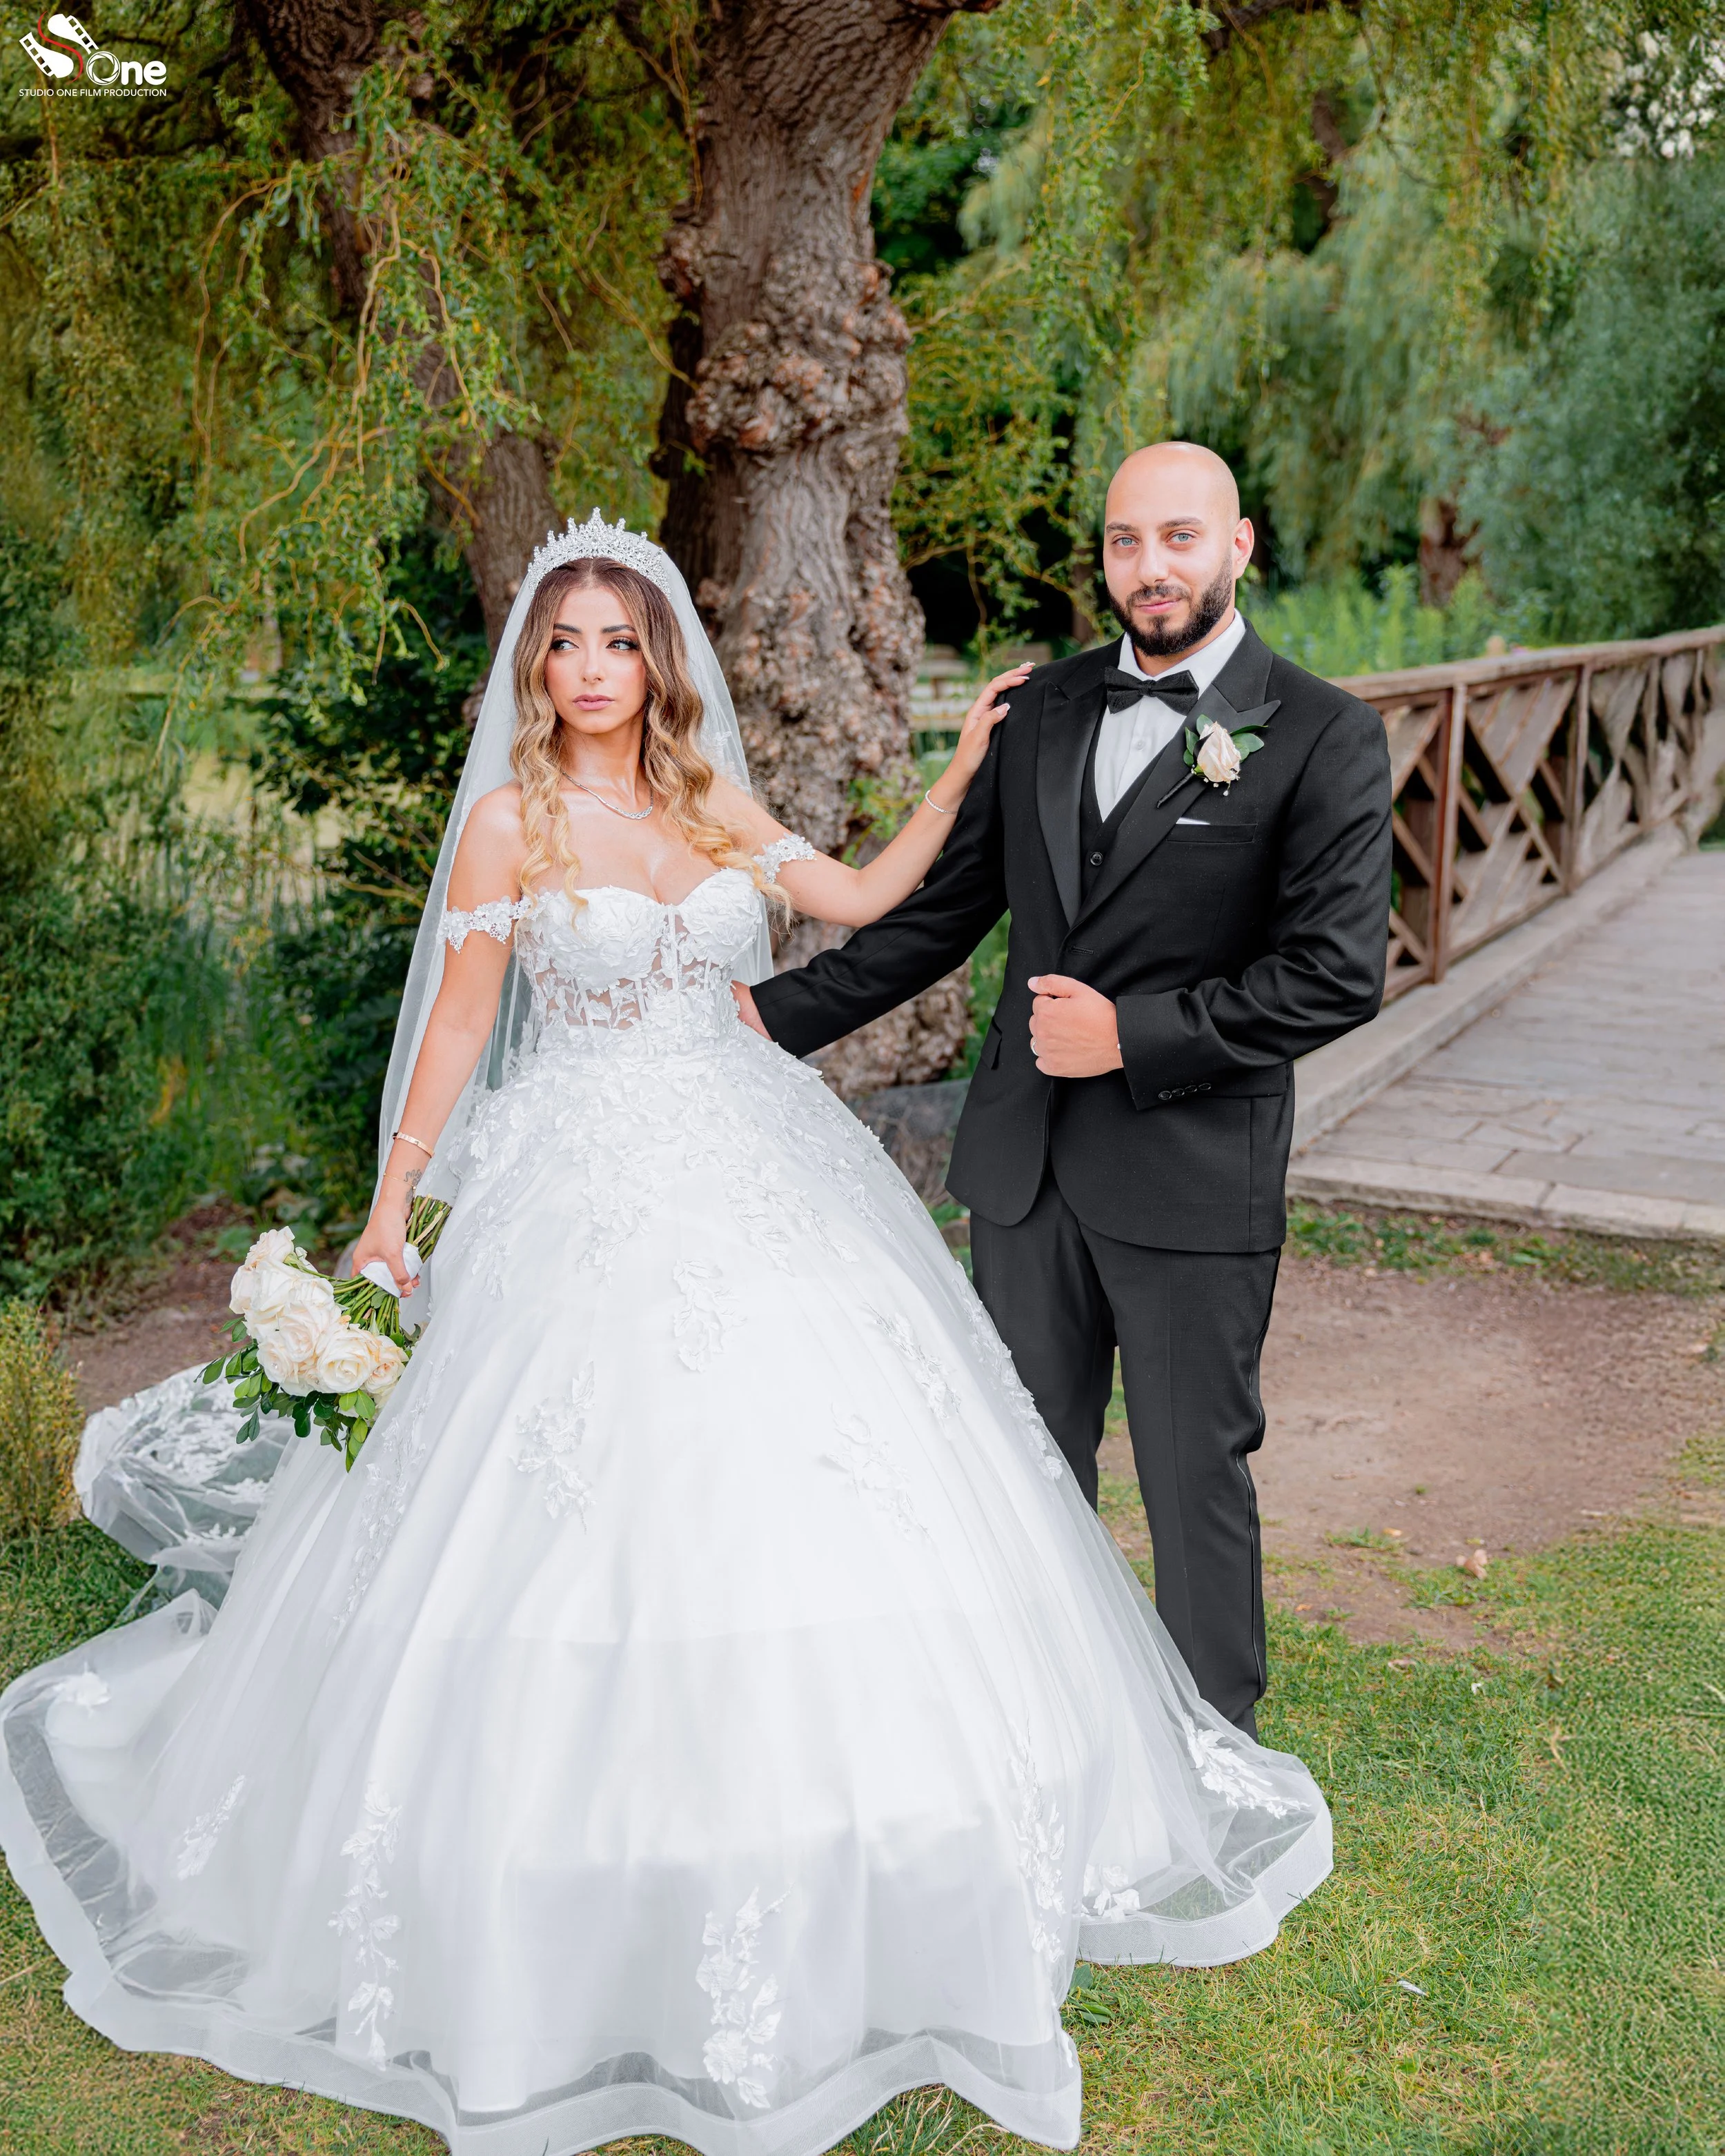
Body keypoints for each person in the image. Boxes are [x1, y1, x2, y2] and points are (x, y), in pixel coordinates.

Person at [0, 515, 1331, 2156]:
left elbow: (851, 897)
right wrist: (386, 1208)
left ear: (656, 661)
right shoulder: (508, 821)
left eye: (615, 643)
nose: (587, 671)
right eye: (561, 645)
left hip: (756, 1158)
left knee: (828, 1474)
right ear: (535, 671)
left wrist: (958, 768)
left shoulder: (706, 799)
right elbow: (462, 1028)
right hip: (572, 1181)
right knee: (552, 1504)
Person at [737, 444, 1394, 1737]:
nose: (1151, 569)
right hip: (1024, 1171)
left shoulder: (1324, 733)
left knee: (1189, 1469)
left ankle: (1217, 1749)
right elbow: (942, 915)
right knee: (1026, 1467)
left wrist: (1133, 1037)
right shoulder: (1043, 708)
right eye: (1124, 543)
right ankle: (1040, 1725)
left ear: (1240, 545)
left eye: (1180, 540)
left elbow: (1333, 977)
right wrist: (766, 1018)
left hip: (1191, 1172)